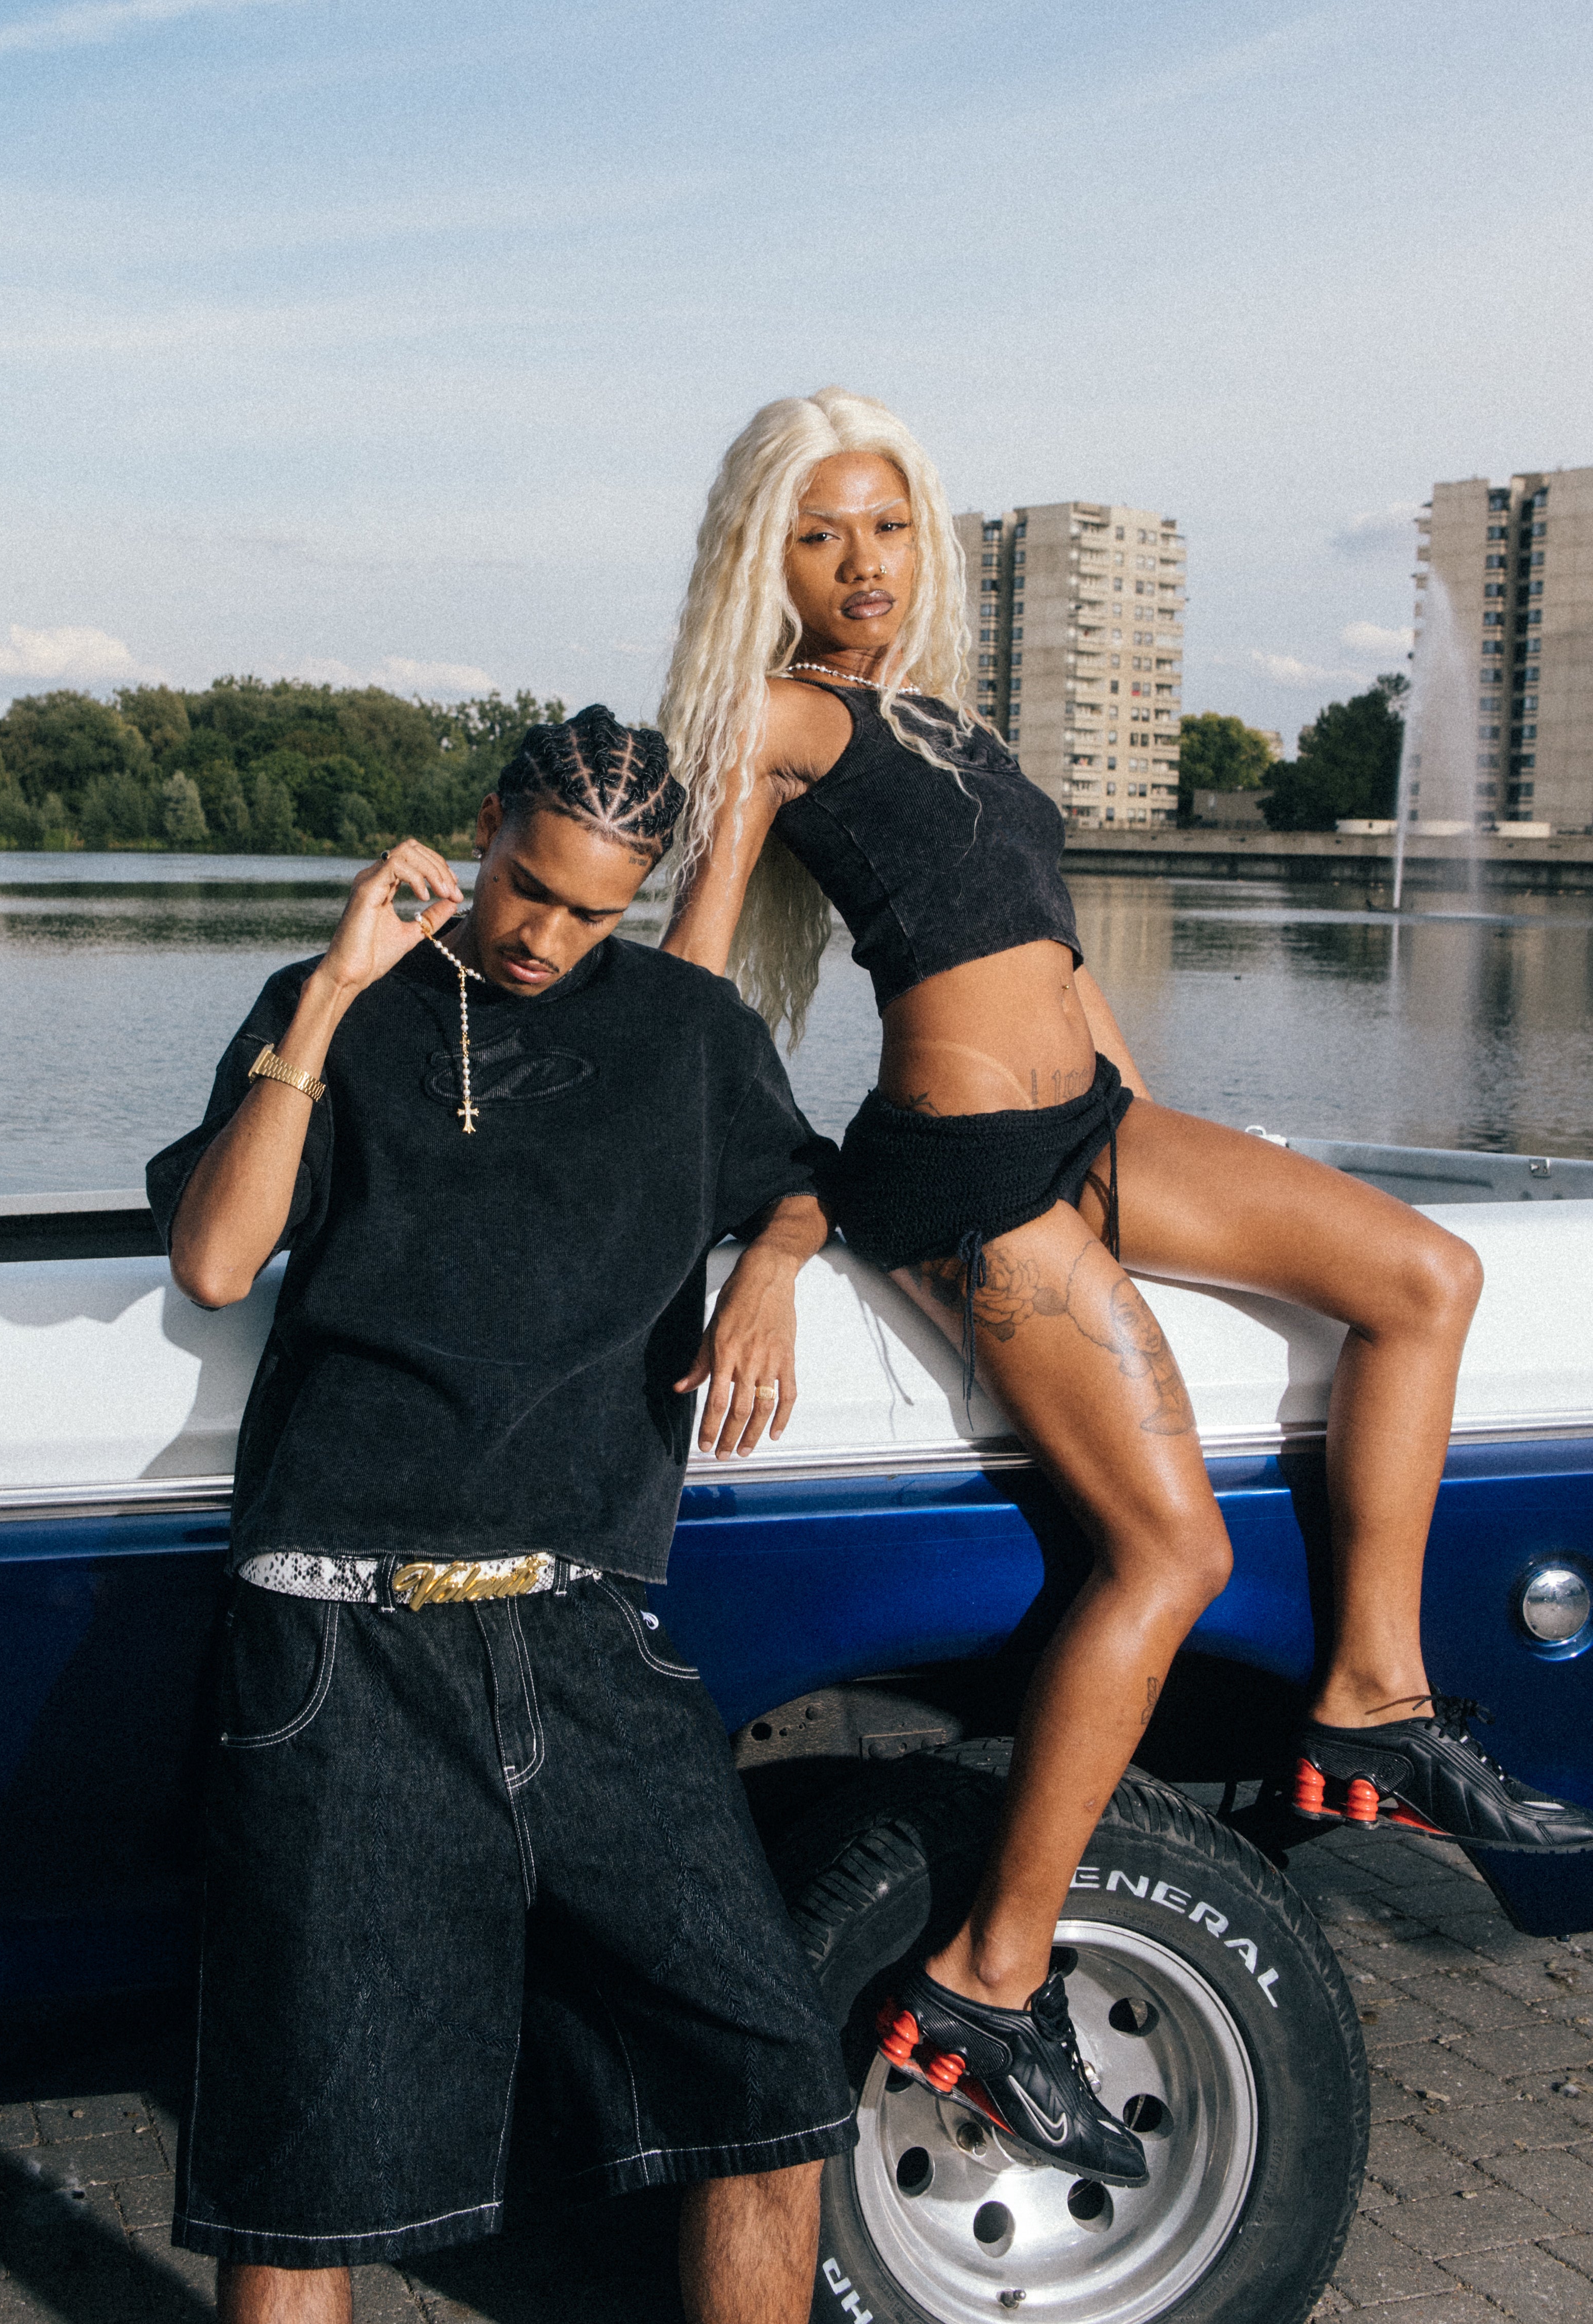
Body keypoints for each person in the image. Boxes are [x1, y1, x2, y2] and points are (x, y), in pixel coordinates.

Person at [659, 387, 1593, 2189]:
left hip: (1095, 1126)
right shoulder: (777, 717)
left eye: (888, 526)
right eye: (820, 535)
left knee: (1424, 1273)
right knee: (1173, 1556)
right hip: (961, 1173)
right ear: (767, 559)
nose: (863, 564)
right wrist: (768, 1227)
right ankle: (985, 1978)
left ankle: (1370, 1706)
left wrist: (1168, 1160)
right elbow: (694, 998)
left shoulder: (951, 721)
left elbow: (1057, 960)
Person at [146, 706, 854, 2324]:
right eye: (529, 887)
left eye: (595, 910)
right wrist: (333, 992)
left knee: (772, 2079)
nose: (546, 936)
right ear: (483, 831)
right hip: (344, 1647)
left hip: (582, 1632)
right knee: (309, 2179)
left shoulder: (686, 1029)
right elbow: (216, 1260)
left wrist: (771, 1264)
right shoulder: (339, 1005)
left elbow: (804, 1174)